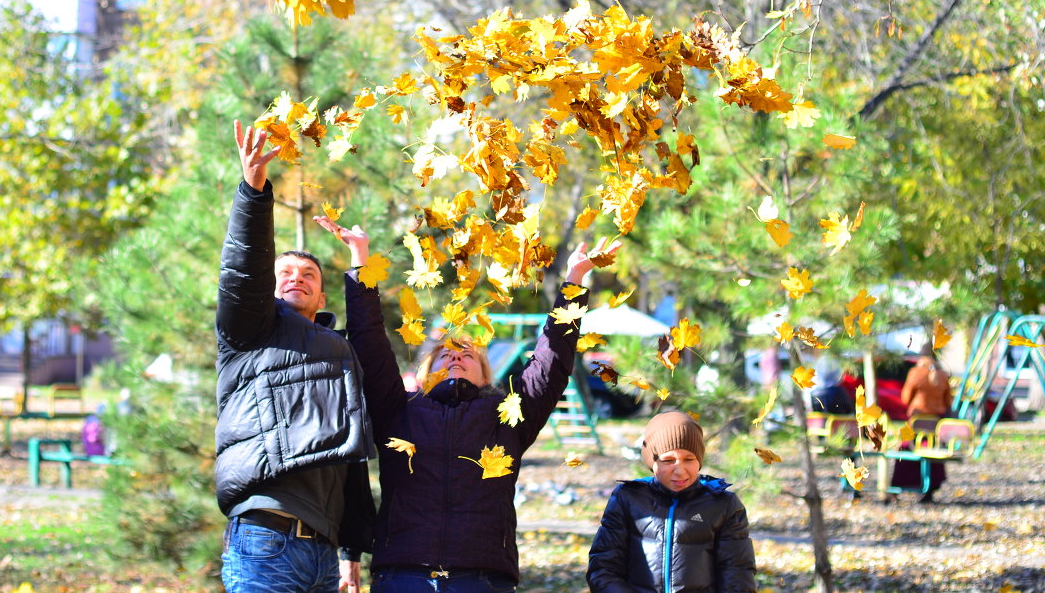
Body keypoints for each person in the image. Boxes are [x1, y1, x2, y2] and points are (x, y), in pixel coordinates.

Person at [315, 212, 620, 592]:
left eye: (468, 354)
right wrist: (360, 257)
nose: (456, 356)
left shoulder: (507, 417)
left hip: (483, 578)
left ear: (485, 375)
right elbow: (369, 343)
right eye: (445, 354)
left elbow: (551, 362)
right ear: (426, 372)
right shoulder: (398, 410)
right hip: (404, 574)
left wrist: (573, 281)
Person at [216, 122, 374, 593]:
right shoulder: (251, 330)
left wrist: (349, 550)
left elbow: (349, 458)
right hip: (267, 534)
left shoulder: (339, 355)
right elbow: (243, 267)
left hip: (323, 552)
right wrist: (253, 191)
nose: (296, 278)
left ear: (322, 293)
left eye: (308, 274)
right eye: (284, 271)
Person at [587, 411, 756, 592]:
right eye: (668, 460)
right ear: (651, 462)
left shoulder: (723, 504)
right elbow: (603, 568)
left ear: (699, 460)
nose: (680, 471)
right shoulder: (627, 498)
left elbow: (737, 573)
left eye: (689, 459)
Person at [892, 342, 952, 502]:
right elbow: (948, 402)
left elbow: (905, 398)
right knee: (932, 452)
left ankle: (898, 487)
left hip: (916, 421)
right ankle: (930, 488)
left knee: (905, 450)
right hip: (935, 423)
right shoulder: (943, 375)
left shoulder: (915, 373)